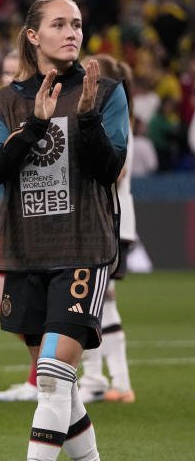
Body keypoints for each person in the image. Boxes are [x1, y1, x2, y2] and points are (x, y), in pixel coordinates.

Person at [0, 0, 127, 461]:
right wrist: (36, 127)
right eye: (60, 24)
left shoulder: (106, 92)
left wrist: (86, 118)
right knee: (61, 388)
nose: (72, 32)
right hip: (26, 250)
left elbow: (109, 166)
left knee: (49, 376)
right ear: (32, 36)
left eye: (78, 24)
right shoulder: (6, 101)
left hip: (83, 246)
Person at [78, 54, 137, 404]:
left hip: (109, 222)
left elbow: (117, 171)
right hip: (111, 222)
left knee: (90, 304)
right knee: (100, 305)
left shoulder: (113, 117)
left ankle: (99, 379)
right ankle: (112, 381)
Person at [0, 50, 39, 403]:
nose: (7, 78)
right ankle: (51, 362)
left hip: (42, 222)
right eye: (3, 72)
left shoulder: (43, 108)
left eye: (13, 71)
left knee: (38, 307)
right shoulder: (0, 111)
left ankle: (44, 374)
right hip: (12, 217)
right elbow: (2, 174)